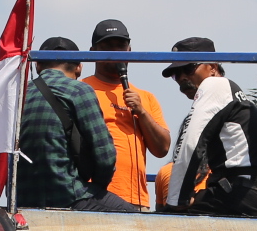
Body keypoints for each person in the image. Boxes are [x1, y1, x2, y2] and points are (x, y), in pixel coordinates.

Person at [161, 37, 257, 217]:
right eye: (176, 74)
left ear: (212, 67)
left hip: (240, 194)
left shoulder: (214, 85)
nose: (182, 78)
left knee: (168, 218)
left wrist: (177, 201)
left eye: (188, 69)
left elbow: (191, 144)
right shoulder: (232, 92)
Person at [15, 37, 127, 212]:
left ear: (37, 65)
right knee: (136, 218)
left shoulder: (18, 94)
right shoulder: (79, 90)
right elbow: (105, 155)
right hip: (67, 195)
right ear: (79, 67)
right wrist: (97, 187)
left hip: (22, 199)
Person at [84, 18, 170, 210]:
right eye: (108, 46)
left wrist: (141, 112)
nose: (116, 51)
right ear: (92, 52)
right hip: (92, 198)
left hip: (136, 200)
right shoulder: (81, 90)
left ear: (129, 51)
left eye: (121, 45)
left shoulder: (145, 97)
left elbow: (162, 149)